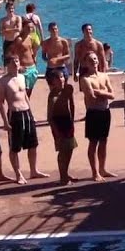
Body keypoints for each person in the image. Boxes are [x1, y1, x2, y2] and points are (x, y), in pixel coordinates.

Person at [0, 54, 46, 184]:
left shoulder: (22, 77)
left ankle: (33, 170)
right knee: (15, 147)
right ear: (7, 64)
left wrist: (32, 113)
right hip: (14, 114)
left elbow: (25, 96)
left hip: (26, 113)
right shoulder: (3, 81)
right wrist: (5, 122)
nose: (16, 64)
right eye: (13, 62)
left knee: (33, 144)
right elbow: (1, 102)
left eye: (17, 61)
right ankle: (18, 174)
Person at [79, 51, 115, 181]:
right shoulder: (84, 79)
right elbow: (92, 98)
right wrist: (104, 93)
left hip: (105, 111)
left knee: (104, 141)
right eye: (90, 60)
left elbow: (113, 95)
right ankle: (95, 172)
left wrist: (100, 92)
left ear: (98, 61)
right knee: (93, 142)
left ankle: (103, 168)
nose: (94, 61)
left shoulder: (104, 76)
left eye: (95, 59)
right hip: (93, 113)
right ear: (85, 63)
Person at [44, 68, 77, 185]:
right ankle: (62, 176)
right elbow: (50, 117)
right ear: (52, 81)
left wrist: (72, 120)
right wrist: (55, 131)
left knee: (70, 148)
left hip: (68, 120)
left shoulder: (68, 89)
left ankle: (66, 172)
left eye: (62, 77)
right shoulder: (52, 96)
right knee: (62, 151)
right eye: (57, 78)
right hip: (57, 123)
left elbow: (72, 104)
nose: (61, 80)